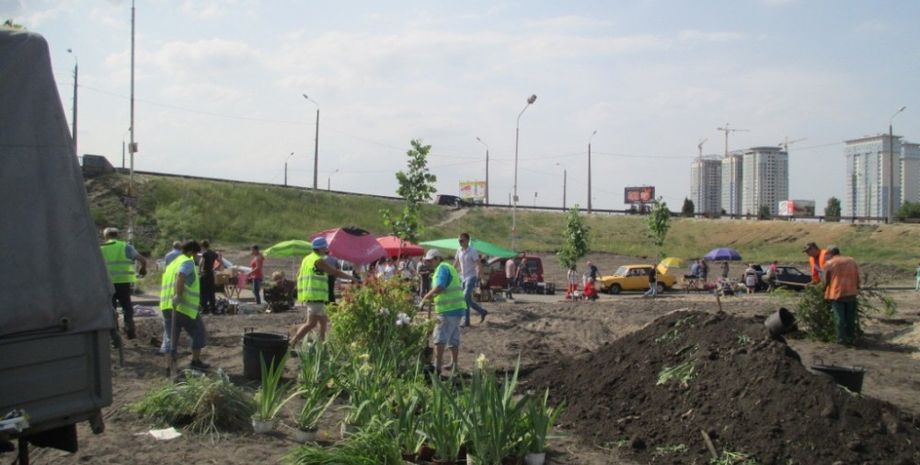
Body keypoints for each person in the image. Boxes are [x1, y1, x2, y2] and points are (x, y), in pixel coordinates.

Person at [290, 237, 353, 345]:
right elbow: (335, 272)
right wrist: (353, 278)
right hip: (315, 296)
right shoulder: (318, 261)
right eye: (325, 248)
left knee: (323, 321)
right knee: (311, 324)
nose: (326, 250)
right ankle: (292, 342)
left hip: (311, 295)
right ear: (320, 248)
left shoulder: (307, 259)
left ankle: (322, 343)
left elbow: (298, 275)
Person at [160, 240, 209, 370]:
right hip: (183, 308)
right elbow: (181, 275)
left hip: (166, 306)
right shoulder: (187, 262)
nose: (198, 257)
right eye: (196, 254)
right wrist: (179, 295)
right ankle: (195, 361)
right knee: (198, 331)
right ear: (190, 252)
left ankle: (169, 367)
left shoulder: (172, 264)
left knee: (171, 338)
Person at [419, 249, 467, 375]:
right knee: (453, 337)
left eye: (430, 261)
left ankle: (437, 366)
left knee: (439, 337)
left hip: (448, 309)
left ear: (437, 258)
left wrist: (425, 297)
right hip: (457, 308)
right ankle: (454, 364)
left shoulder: (441, 269)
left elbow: (440, 287)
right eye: (426, 261)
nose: (428, 263)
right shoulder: (449, 267)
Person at [100, 227, 147, 339]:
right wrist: (143, 269)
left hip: (107, 284)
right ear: (117, 235)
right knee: (127, 307)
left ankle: (114, 335)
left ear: (105, 236)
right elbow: (142, 259)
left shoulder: (101, 248)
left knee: (111, 308)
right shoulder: (125, 246)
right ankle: (129, 330)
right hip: (123, 283)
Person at [822, 246, 860, 346]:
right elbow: (857, 276)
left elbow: (825, 282)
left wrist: (823, 291)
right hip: (852, 293)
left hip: (837, 295)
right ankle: (851, 338)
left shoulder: (829, 264)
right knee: (851, 318)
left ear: (830, 254)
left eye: (826, 254)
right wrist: (857, 287)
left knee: (840, 319)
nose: (825, 256)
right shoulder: (852, 261)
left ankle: (841, 339)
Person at [454, 232, 488, 326]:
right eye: (459, 240)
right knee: (467, 299)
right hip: (462, 277)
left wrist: (483, 277)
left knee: (464, 297)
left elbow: (478, 264)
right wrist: (450, 273)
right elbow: (456, 263)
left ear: (467, 240)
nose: (460, 242)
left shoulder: (472, 251)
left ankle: (466, 320)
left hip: (471, 277)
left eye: (462, 240)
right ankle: (480, 312)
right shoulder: (459, 250)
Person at [199, 240, 219, 314]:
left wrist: (200, 270)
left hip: (205, 274)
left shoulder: (204, 254)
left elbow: (201, 263)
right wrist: (214, 268)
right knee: (211, 292)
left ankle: (205, 308)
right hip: (211, 274)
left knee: (203, 292)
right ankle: (213, 308)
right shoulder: (213, 253)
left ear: (202, 246)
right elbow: (220, 261)